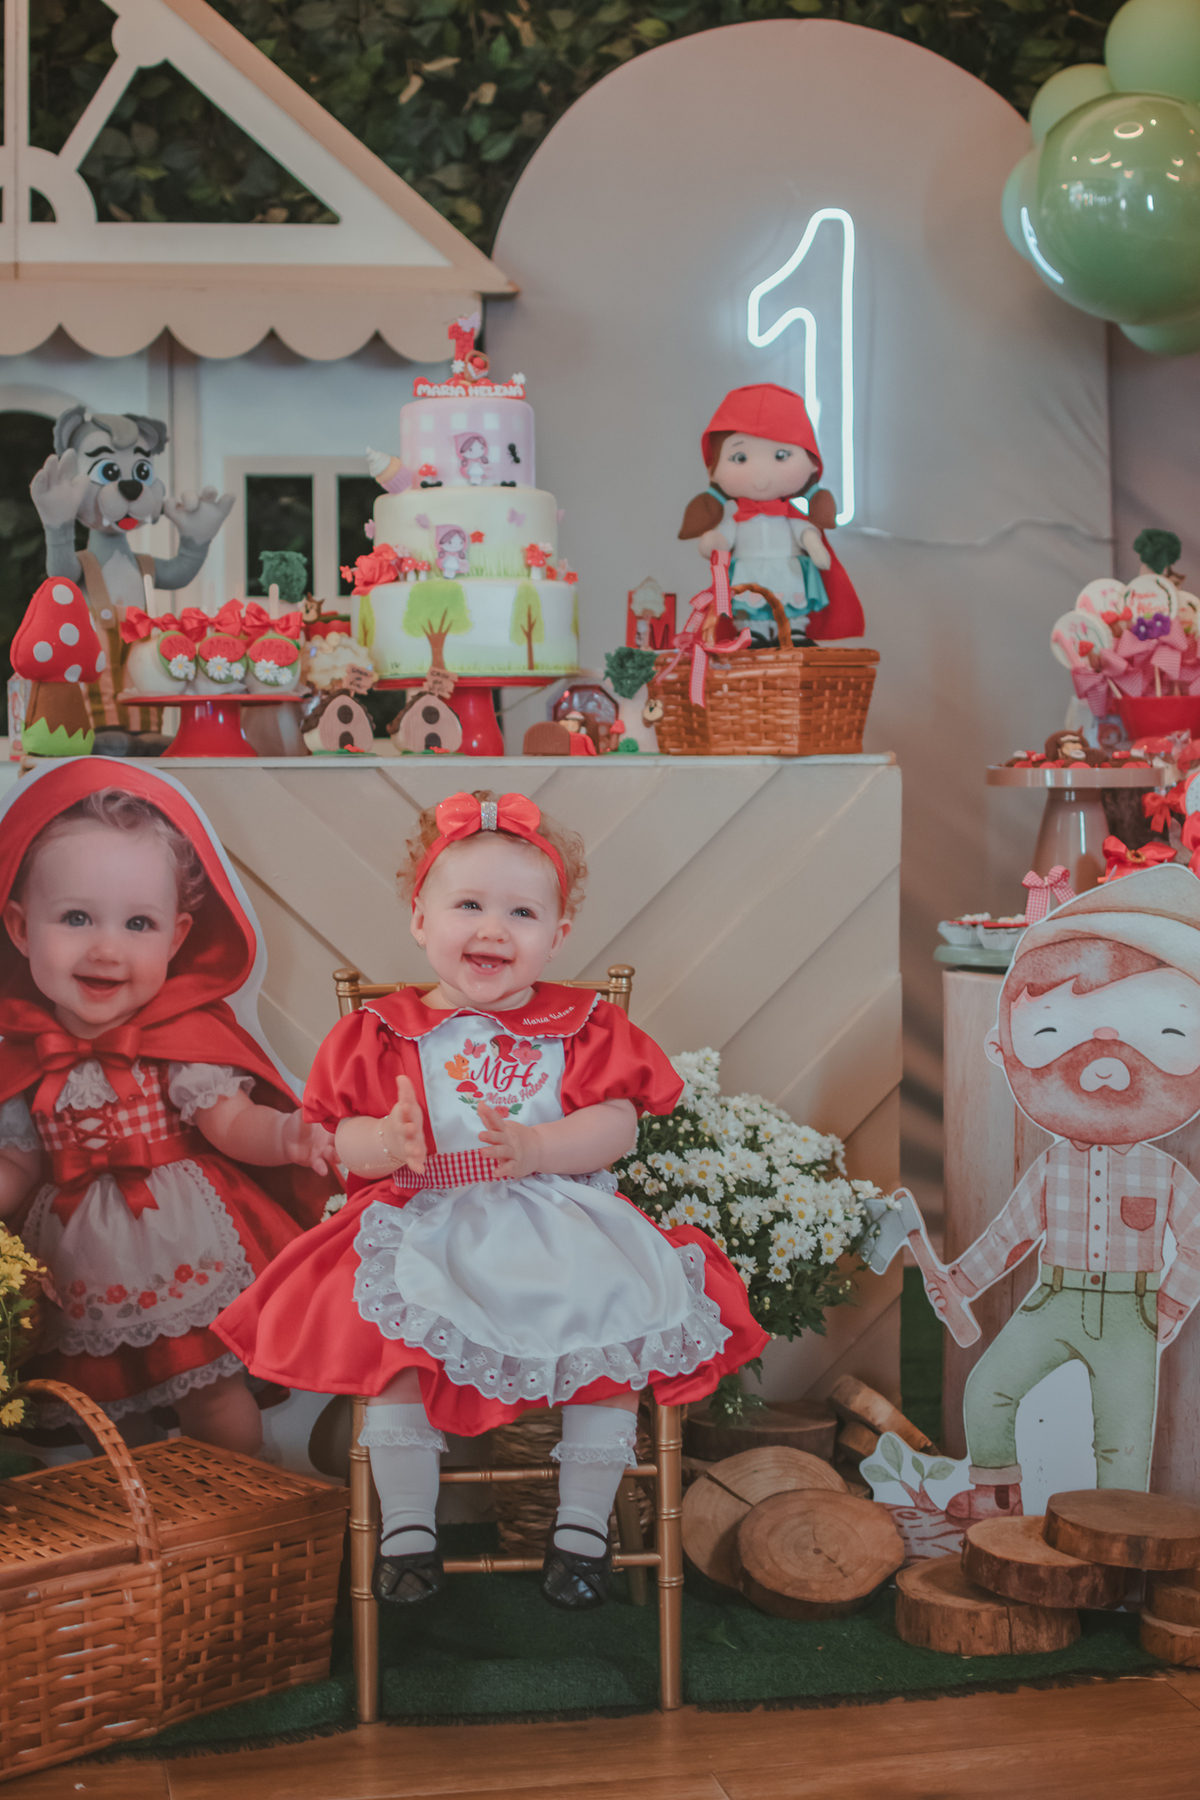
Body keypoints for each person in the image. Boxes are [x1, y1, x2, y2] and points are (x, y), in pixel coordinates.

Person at [216, 789, 767, 1610]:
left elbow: (618, 1124)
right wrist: (386, 1145)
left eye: (520, 912)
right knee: (394, 1351)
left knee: (611, 1339)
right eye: (467, 904)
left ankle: (582, 1533)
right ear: (420, 919)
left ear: (556, 936)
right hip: (426, 1213)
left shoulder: (582, 1026)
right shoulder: (383, 1032)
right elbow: (339, 1138)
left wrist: (539, 1146)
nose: (492, 929)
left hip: (557, 1216)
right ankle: (408, 1530)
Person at [0, 761, 335, 1453]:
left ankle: (237, 1518)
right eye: (75, 917)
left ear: (177, 937)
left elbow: (233, 1124)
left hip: (181, 1245)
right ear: (20, 926)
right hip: (75, 1264)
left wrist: (289, 1135)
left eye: (138, 923)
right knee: (102, 1417)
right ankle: (142, 1540)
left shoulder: (180, 1046)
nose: (105, 947)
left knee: (212, 1396)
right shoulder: (26, 1064)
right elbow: (18, 1164)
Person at [922, 866, 1200, 1522]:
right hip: (1054, 1299)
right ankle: (998, 1500)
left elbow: (1194, 1241)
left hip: (1132, 1316)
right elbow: (1014, 1232)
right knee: (989, 1387)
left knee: (1123, 1436)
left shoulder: (1164, 1176)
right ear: (1003, 1047)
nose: (1106, 1054)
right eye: (1052, 1033)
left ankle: (1118, 1539)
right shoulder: (1053, 1167)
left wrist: (1168, 1302)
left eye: (1161, 1035)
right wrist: (960, 1281)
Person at [678, 384, 863, 646]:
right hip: (749, 573)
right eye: (740, 457)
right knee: (750, 607)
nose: (761, 474)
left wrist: (814, 545)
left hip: (788, 571)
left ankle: (795, 631)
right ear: (714, 469)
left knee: (793, 603)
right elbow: (721, 539)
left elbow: (805, 533)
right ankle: (753, 633)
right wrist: (714, 542)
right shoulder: (738, 522)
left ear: (811, 463)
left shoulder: (791, 519)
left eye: (780, 455)